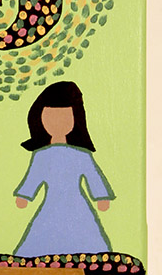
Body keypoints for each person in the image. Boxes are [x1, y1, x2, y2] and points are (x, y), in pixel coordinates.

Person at [13, 81, 114, 257]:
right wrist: (25, 195)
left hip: (77, 207)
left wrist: (101, 196)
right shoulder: (41, 155)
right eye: (50, 117)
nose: (56, 123)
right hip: (51, 206)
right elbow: (33, 177)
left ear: (76, 118)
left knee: (85, 238)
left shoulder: (81, 154)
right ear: (40, 118)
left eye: (65, 117)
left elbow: (92, 175)